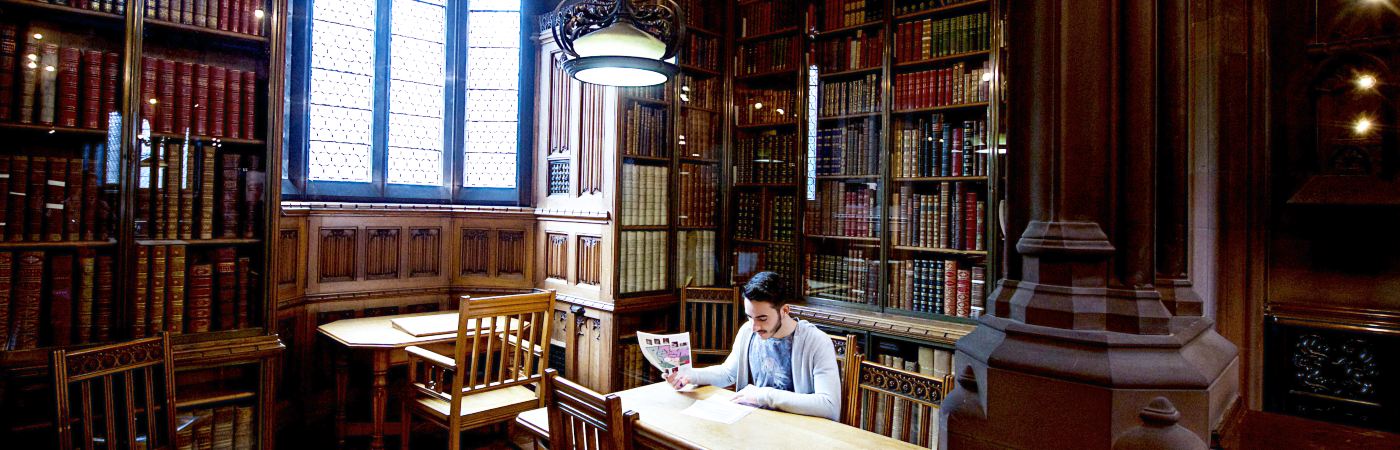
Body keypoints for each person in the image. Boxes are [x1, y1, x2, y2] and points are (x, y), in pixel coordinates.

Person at [665, 271, 841, 421]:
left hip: (800, 433)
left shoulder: (817, 342)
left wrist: (763, 395)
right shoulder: (748, 332)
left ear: (784, 311)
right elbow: (727, 373)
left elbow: (829, 405)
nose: (754, 326)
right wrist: (690, 375)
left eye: (762, 318)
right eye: (750, 317)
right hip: (755, 424)